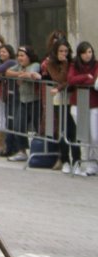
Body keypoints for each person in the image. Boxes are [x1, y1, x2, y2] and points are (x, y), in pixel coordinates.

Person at [41, 37, 79, 173]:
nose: (64, 53)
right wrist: (64, 66)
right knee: (63, 131)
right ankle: (65, 160)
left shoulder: (73, 62)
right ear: (56, 51)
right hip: (59, 100)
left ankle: (76, 160)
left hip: (72, 98)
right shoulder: (51, 63)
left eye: (66, 51)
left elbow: (73, 80)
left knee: (73, 131)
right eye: (61, 51)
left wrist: (61, 86)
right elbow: (60, 78)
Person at [66, 41, 98, 175]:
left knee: (94, 136)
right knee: (84, 136)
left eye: (90, 52)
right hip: (78, 103)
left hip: (93, 104)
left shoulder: (96, 65)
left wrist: (85, 79)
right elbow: (71, 79)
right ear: (80, 54)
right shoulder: (74, 65)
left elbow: (94, 80)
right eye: (85, 52)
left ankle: (93, 163)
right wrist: (85, 76)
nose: (87, 55)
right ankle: (88, 163)